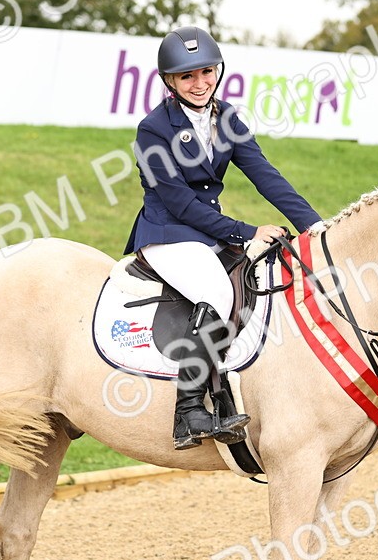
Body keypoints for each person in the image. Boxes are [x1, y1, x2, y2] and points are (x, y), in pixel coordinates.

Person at [125, 26, 324, 451]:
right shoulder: (152, 130)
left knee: (256, 283)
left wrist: (315, 226)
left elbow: (266, 176)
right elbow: (178, 203)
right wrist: (247, 233)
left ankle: (230, 390)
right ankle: (189, 411)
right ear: (170, 82)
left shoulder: (227, 119)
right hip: (168, 233)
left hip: (205, 232)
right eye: (187, 77)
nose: (200, 84)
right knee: (217, 289)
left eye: (207, 72)